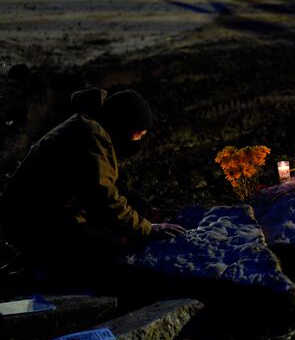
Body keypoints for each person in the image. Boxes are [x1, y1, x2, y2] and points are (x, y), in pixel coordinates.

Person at [0, 88, 185, 288]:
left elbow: (107, 183)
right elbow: (105, 202)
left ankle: (37, 261)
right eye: (138, 135)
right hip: (29, 220)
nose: (139, 141)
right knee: (110, 250)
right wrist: (147, 229)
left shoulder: (93, 125)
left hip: (37, 210)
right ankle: (28, 279)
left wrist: (143, 208)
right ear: (124, 127)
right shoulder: (92, 137)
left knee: (105, 233)